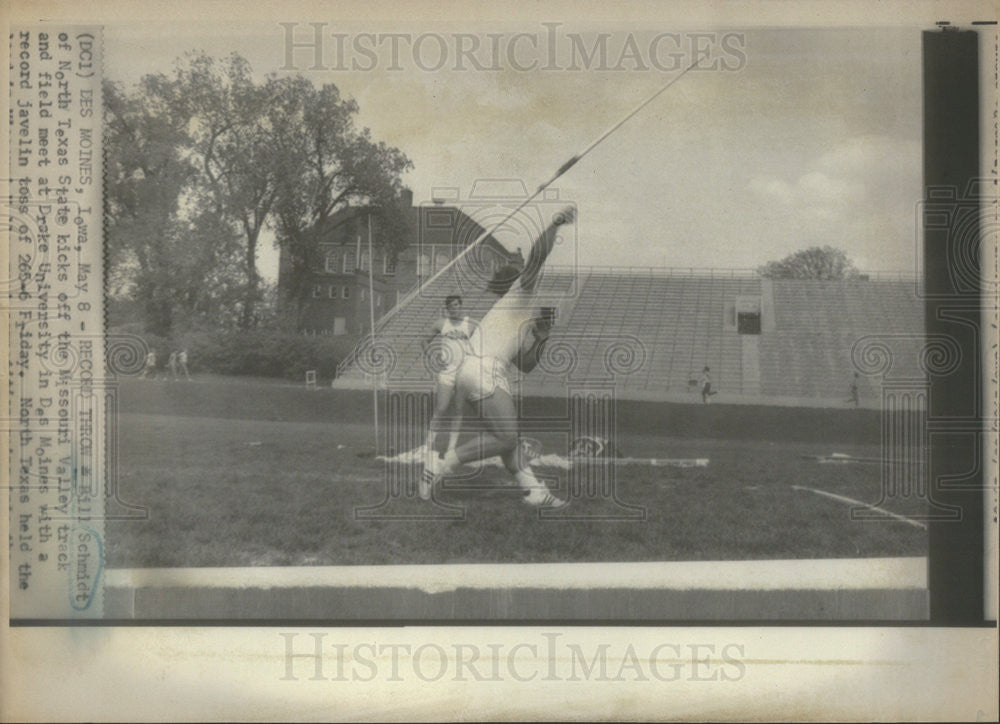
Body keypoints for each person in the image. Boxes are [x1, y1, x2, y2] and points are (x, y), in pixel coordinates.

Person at [421, 206, 575, 508]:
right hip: (484, 370)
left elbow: (526, 365)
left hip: (479, 371)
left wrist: (542, 338)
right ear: (516, 279)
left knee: (506, 437)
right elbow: (537, 257)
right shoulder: (520, 292)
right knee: (506, 437)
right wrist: (555, 223)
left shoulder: (514, 317)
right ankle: (441, 464)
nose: (531, 277)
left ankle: (532, 491)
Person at [422, 295, 477, 462]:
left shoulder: (471, 324)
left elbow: (482, 343)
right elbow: (424, 341)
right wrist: (432, 357)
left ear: (461, 306)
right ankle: (427, 446)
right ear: (447, 309)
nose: (454, 308)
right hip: (447, 370)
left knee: (459, 409)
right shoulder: (441, 324)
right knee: (441, 408)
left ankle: (451, 449)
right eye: (451, 306)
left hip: (464, 371)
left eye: (456, 305)